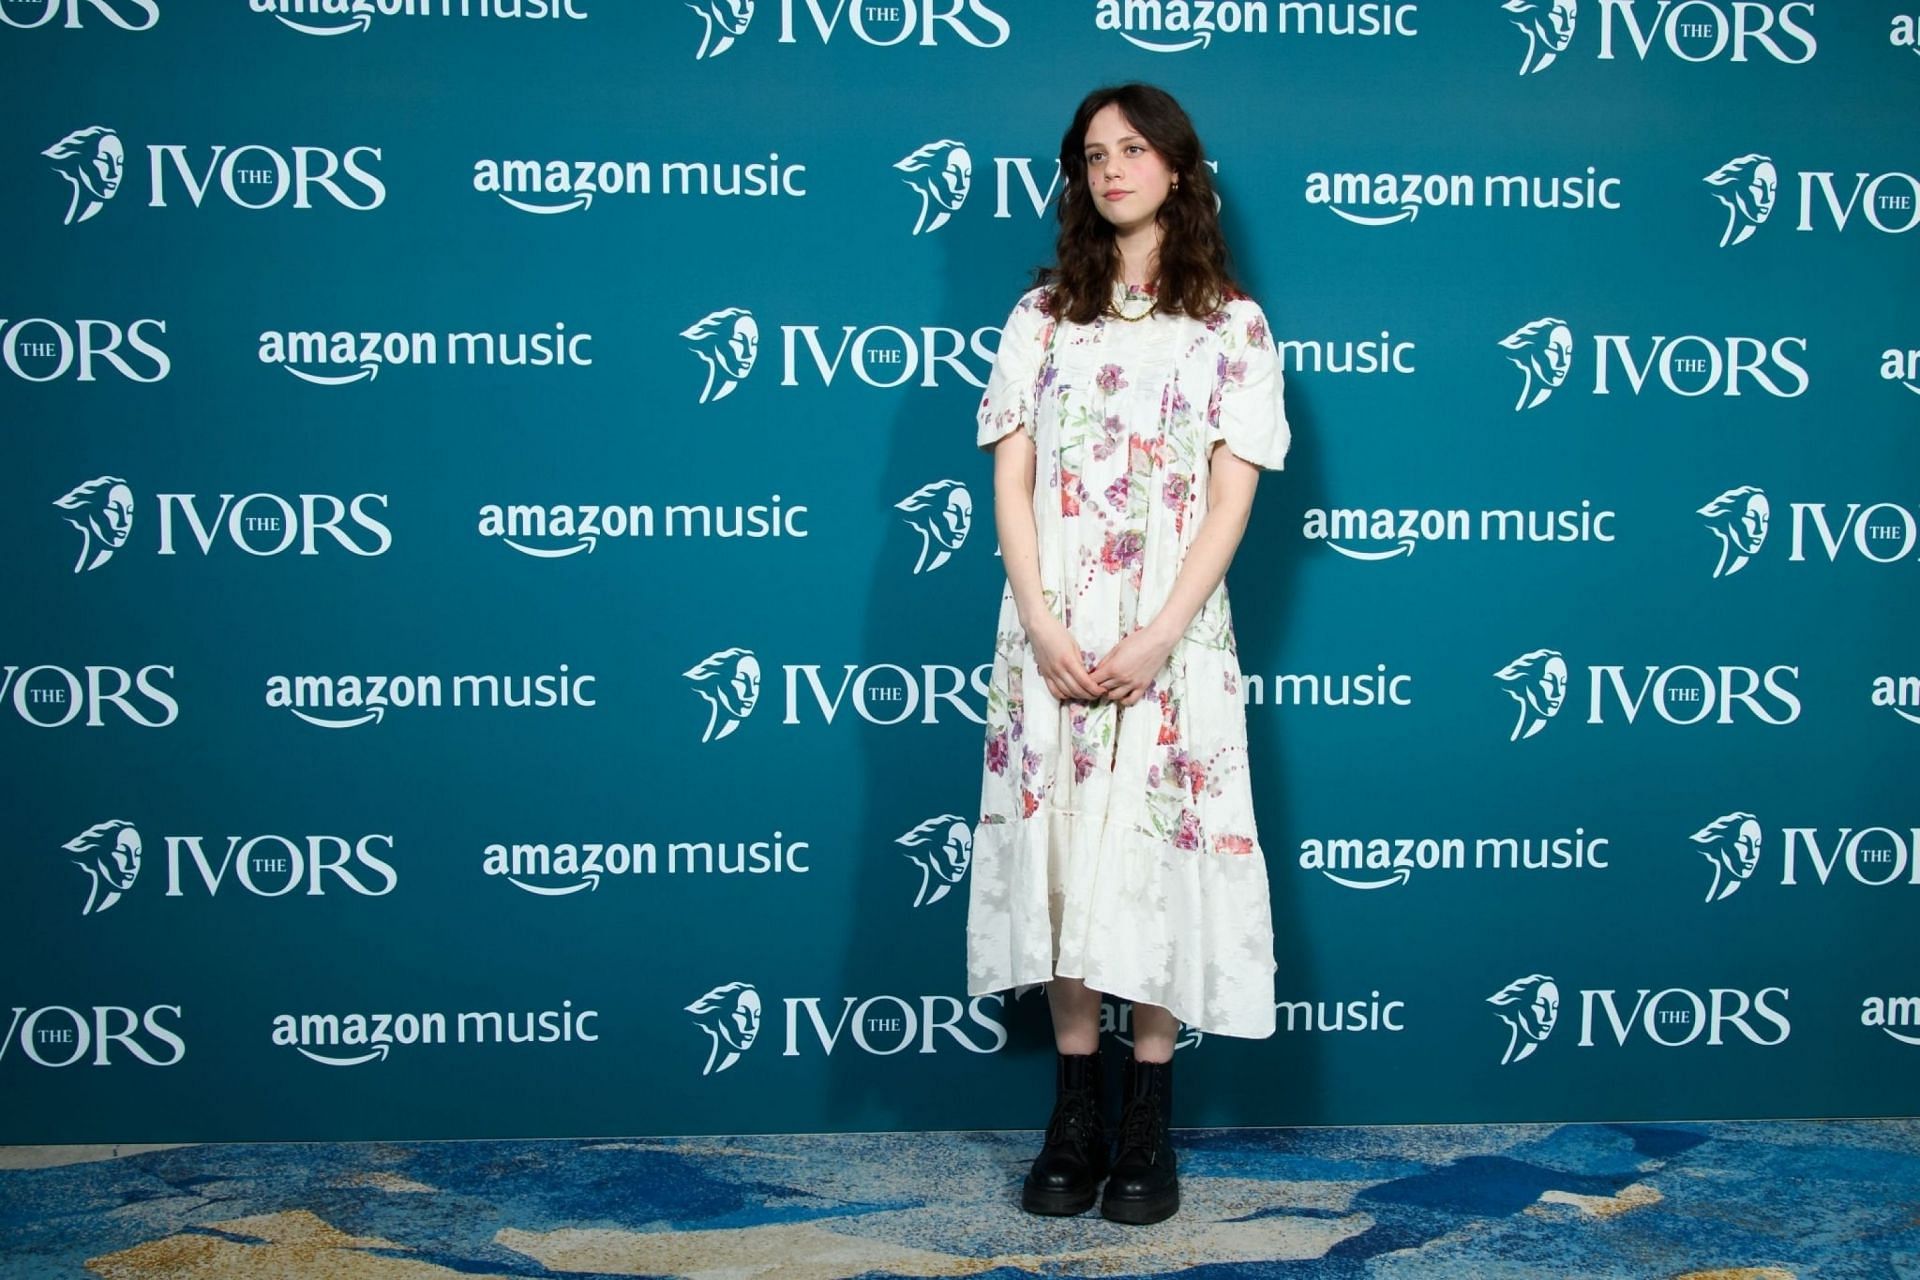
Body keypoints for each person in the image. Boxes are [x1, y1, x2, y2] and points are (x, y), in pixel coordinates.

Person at [967, 83, 1290, 1226]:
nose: (1111, 169)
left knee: (1149, 861)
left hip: (1173, 636)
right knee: (1061, 859)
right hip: (1048, 632)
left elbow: (1228, 503)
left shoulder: (1233, 327)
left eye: (1133, 149)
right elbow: (1008, 479)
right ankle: (1075, 1111)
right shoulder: (1041, 316)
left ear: (1179, 169)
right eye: (1093, 154)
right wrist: (1045, 625)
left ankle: (1148, 1114)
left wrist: (1158, 634)